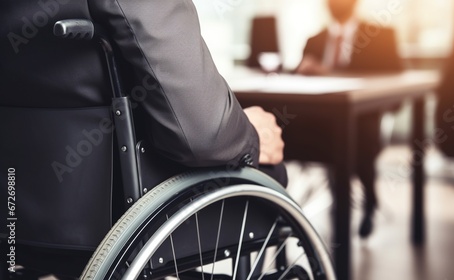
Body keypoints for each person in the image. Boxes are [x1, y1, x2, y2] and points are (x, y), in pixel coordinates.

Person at [0, 0, 285, 277]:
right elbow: (203, 135)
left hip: (18, 213)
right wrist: (251, 139)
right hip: (119, 211)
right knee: (268, 169)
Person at [296, 0, 403, 238]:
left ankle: (368, 201)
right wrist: (301, 70)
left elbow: (396, 83)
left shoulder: (380, 36)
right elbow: (297, 80)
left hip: (363, 122)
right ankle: (284, 212)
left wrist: (330, 73)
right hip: (320, 124)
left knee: (358, 134)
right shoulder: (314, 40)